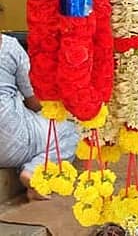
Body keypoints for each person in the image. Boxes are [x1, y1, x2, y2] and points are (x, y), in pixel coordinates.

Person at [0, 34, 79, 202]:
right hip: (9, 147)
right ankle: (34, 170)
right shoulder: (8, 47)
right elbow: (34, 102)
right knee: (69, 131)